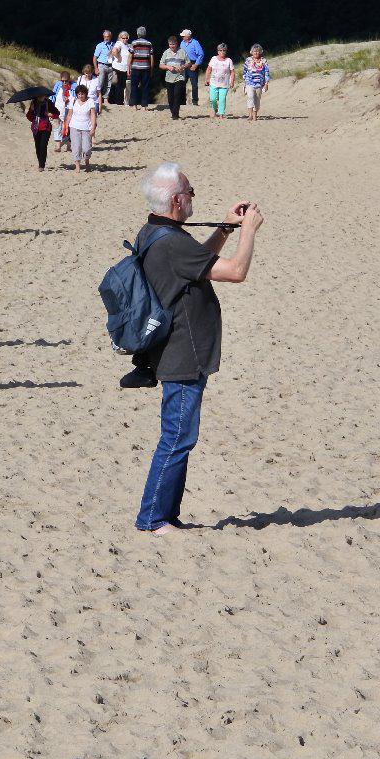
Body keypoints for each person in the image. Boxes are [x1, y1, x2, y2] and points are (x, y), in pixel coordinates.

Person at [131, 163, 264, 534]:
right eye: (190, 192)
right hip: (182, 353)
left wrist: (224, 228)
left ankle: (165, 516)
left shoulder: (158, 232)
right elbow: (236, 271)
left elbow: (199, 264)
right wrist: (248, 233)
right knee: (177, 437)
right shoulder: (170, 242)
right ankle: (153, 519)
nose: (192, 197)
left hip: (179, 350)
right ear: (176, 200)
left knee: (179, 436)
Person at [66, 83, 97, 171]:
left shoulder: (90, 101)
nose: (80, 96)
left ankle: (87, 161)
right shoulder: (73, 101)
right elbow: (69, 114)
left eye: (82, 94)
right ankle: (77, 166)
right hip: (74, 126)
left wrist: (93, 128)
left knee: (87, 148)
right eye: (79, 94)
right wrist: (66, 126)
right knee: (76, 147)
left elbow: (93, 115)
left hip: (86, 127)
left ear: (85, 94)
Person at [26, 96, 58, 170]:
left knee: (43, 145)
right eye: (40, 95)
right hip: (36, 127)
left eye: (43, 95)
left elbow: (57, 113)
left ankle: (41, 165)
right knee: (37, 146)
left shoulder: (48, 103)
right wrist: (31, 110)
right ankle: (40, 162)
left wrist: (51, 114)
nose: (41, 97)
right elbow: (30, 117)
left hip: (46, 127)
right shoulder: (33, 102)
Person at [241, 44, 272, 121]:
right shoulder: (248, 60)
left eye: (258, 51)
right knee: (250, 97)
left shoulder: (264, 61)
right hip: (249, 83)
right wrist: (245, 80)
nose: (256, 53)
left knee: (257, 100)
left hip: (259, 84)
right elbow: (244, 71)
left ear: (260, 52)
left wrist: (266, 83)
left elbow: (267, 73)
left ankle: (255, 115)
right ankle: (250, 115)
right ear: (251, 52)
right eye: (254, 51)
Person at [160, 35, 187, 119]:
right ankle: (173, 112)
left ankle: (175, 115)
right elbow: (161, 65)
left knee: (177, 95)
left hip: (180, 76)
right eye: (170, 44)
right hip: (169, 78)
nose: (172, 46)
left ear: (177, 44)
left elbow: (188, 63)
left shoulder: (182, 52)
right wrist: (168, 67)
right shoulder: (166, 52)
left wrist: (182, 67)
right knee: (170, 97)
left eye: (173, 44)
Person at [207, 43, 235, 119]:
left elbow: (232, 72)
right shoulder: (213, 59)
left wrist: (232, 81)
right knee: (213, 99)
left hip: (224, 84)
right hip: (213, 83)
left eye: (224, 50)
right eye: (220, 50)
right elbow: (209, 69)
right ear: (218, 51)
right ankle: (215, 109)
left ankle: (221, 113)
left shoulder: (229, 60)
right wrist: (207, 78)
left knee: (222, 99)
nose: (222, 52)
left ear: (226, 51)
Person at [129, 26, 154, 107]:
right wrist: (151, 69)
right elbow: (151, 57)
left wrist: (128, 67)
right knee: (145, 87)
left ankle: (134, 105)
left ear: (137, 33)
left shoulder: (134, 43)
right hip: (146, 67)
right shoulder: (149, 43)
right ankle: (144, 105)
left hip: (135, 67)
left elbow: (130, 56)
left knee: (134, 86)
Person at [51, 69, 75, 153]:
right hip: (58, 109)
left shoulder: (74, 87)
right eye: (63, 81)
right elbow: (53, 95)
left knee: (69, 127)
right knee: (57, 126)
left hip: (70, 110)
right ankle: (58, 145)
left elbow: (77, 97)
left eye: (66, 81)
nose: (64, 83)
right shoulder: (58, 86)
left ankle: (69, 145)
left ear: (69, 79)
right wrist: (50, 106)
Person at [180, 29, 205, 105]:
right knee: (182, 83)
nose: (182, 37)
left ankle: (195, 101)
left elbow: (201, 54)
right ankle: (182, 101)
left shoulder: (195, 43)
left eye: (184, 36)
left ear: (188, 36)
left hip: (192, 64)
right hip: (184, 64)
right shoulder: (182, 43)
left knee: (194, 84)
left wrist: (196, 65)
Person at [109, 31, 131, 105]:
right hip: (118, 67)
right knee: (119, 85)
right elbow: (114, 51)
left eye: (126, 38)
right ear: (120, 38)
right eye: (123, 38)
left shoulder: (127, 45)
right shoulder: (119, 43)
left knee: (121, 85)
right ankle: (117, 101)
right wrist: (118, 58)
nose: (125, 39)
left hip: (124, 68)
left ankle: (119, 101)